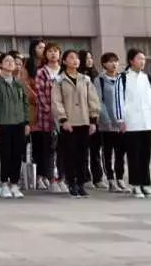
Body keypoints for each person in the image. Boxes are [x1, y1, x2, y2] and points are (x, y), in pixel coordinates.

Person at [51, 49, 100, 198]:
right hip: (69, 123)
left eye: (77, 58)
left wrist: (93, 120)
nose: (75, 60)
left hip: (84, 122)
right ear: (64, 61)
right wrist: (63, 119)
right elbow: (56, 101)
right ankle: (71, 182)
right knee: (70, 154)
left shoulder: (85, 79)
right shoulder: (59, 80)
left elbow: (93, 100)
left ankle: (81, 183)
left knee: (83, 155)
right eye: (71, 58)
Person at [0, 53, 31, 199]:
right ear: (0, 64)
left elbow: (25, 104)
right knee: (5, 154)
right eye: (7, 61)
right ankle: (4, 183)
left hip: (19, 123)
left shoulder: (19, 83)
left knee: (17, 154)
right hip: (3, 123)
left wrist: (26, 122)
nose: (11, 63)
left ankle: (15, 184)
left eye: (12, 61)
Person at [119, 48, 151, 199]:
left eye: (144, 59)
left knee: (145, 155)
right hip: (132, 122)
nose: (142, 61)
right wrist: (121, 119)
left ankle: (146, 184)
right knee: (134, 155)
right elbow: (119, 99)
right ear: (131, 61)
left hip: (147, 122)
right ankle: (136, 185)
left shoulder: (147, 78)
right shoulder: (123, 77)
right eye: (139, 58)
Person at [95, 52, 128, 193]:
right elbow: (99, 101)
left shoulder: (123, 79)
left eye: (116, 61)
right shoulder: (100, 80)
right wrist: (107, 119)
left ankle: (120, 178)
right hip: (107, 124)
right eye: (110, 61)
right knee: (107, 153)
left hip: (122, 123)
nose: (114, 64)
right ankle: (110, 179)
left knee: (120, 153)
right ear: (104, 64)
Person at [32, 43, 62, 193]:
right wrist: (51, 112)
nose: (53, 54)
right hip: (47, 117)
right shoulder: (41, 72)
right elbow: (40, 94)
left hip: (65, 117)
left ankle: (62, 178)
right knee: (48, 149)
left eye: (56, 51)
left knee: (63, 149)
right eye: (50, 51)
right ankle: (49, 178)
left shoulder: (63, 71)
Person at [79, 50, 104, 190]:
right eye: (86, 58)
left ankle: (98, 177)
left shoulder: (96, 76)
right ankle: (85, 177)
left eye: (91, 57)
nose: (89, 60)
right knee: (84, 150)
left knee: (96, 150)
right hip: (82, 116)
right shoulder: (79, 77)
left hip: (95, 117)